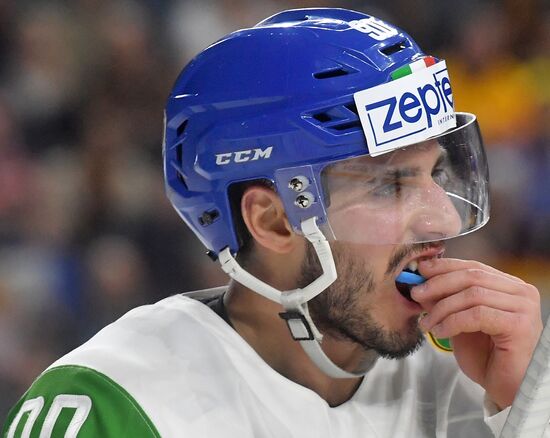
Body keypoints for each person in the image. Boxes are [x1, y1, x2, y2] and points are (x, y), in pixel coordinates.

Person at [3, 8, 545, 438]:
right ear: (274, 220)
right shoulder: (114, 406)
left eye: (436, 173)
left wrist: (530, 406)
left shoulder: (485, 369)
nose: (445, 217)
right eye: (390, 185)